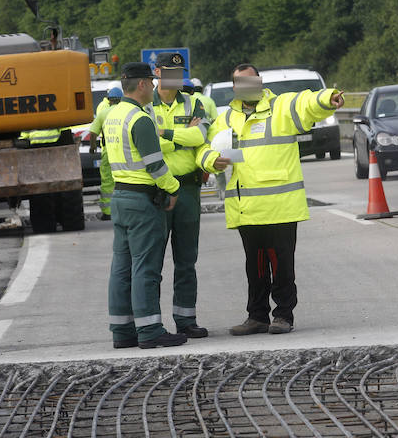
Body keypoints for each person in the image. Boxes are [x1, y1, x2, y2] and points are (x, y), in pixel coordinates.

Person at [197, 63, 344, 335]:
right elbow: (205, 148)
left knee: (282, 265)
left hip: (280, 206)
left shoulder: (281, 108)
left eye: (252, 81)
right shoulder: (226, 119)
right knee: (255, 267)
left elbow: (307, 103)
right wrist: (211, 160)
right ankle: (257, 316)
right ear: (234, 87)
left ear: (260, 82)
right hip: (247, 208)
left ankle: (283, 315)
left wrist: (328, 97)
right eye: (241, 83)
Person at [103, 62, 186, 350]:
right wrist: (173, 188)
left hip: (120, 197)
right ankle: (150, 330)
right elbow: (155, 165)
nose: (153, 86)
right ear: (141, 85)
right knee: (145, 267)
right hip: (141, 201)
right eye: (151, 82)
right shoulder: (140, 119)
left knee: (121, 267)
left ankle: (122, 331)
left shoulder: (113, 116)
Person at [152, 52, 211, 339]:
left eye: (179, 72)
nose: (176, 77)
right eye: (169, 71)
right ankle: (152, 324)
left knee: (187, 260)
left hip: (188, 189)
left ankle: (186, 320)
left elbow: (200, 136)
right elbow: (146, 143)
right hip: (157, 190)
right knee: (152, 262)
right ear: (157, 72)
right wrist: (179, 137)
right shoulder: (144, 104)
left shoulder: (193, 102)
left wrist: (164, 133)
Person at [89, 86, 123, 220]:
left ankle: (108, 212)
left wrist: (93, 147)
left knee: (108, 182)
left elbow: (93, 133)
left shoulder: (103, 113)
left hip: (108, 152)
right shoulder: (127, 111)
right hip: (126, 152)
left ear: (109, 100)